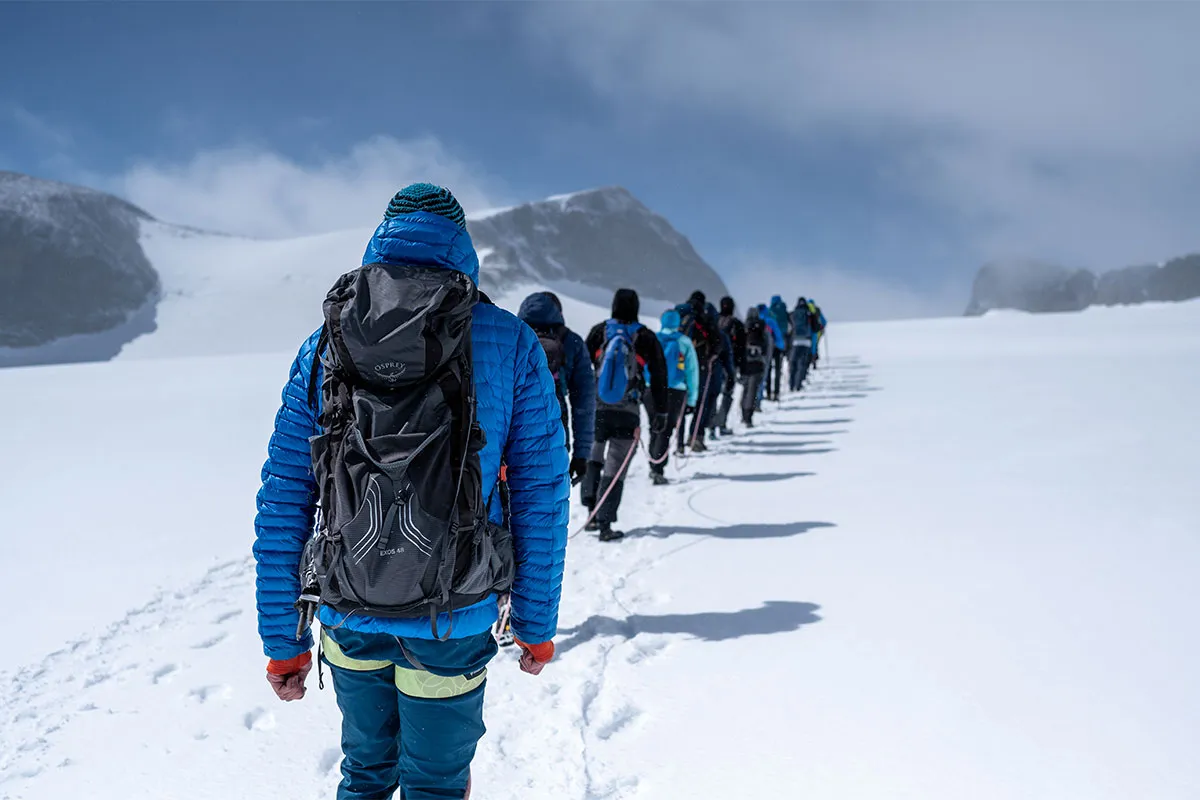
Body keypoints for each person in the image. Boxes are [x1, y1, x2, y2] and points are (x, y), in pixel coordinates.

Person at [253, 184, 570, 800]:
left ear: (382, 241)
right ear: (462, 247)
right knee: (436, 785)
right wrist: (534, 623)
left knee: (366, 775)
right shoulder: (508, 341)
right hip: (453, 615)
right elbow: (541, 495)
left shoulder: (327, 342)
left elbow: (285, 495)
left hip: (350, 607)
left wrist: (282, 642)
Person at [583, 288, 668, 541]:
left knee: (594, 458)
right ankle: (606, 523)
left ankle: (591, 513)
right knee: (615, 466)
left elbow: (581, 366)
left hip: (598, 409)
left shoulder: (599, 331)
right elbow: (660, 376)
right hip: (628, 411)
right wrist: (660, 412)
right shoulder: (645, 336)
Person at [517, 291, 595, 486]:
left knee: (508, 502)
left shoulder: (512, 336)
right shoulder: (572, 342)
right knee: (549, 503)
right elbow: (584, 402)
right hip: (555, 430)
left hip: (514, 431)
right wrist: (581, 453)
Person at [645, 309, 699, 484]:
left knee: (654, 425)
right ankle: (658, 469)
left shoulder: (653, 338)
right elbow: (692, 372)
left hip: (651, 388)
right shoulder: (684, 342)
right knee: (666, 429)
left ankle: (653, 462)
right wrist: (692, 399)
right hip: (675, 390)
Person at [675, 290, 724, 452]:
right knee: (700, 403)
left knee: (681, 402)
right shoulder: (705, 318)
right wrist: (711, 357)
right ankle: (695, 437)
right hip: (700, 365)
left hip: (680, 365)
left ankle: (679, 444)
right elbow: (717, 342)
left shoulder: (680, 317)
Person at [714, 296, 745, 436]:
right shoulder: (737, 324)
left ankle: (710, 425)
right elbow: (742, 347)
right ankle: (721, 424)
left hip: (714, 363)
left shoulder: (713, 321)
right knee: (727, 394)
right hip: (731, 364)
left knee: (713, 395)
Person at [741, 307, 769, 427]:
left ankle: (743, 413)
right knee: (753, 390)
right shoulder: (762, 326)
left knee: (745, 388)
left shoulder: (744, 327)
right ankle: (748, 417)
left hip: (745, 362)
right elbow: (767, 344)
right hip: (758, 362)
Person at [756, 303, 784, 408]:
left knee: (759, 375)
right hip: (770, 350)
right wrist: (781, 347)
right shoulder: (770, 321)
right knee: (770, 371)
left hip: (753, 353)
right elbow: (778, 335)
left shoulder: (752, 321)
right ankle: (773, 394)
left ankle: (763, 395)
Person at [768, 294, 792, 400]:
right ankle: (776, 393)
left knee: (768, 369)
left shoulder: (769, 312)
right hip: (781, 343)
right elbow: (790, 326)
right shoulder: (784, 311)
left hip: (770, 344)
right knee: (778, 369)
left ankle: (768, 392)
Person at [789, 295, 813, 390]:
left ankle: (791, 385)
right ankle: (798, 386)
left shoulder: (793, 313)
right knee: (801, 364)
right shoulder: (808, 313)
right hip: (806, 341)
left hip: (795, 341)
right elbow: (816, 326)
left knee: (793, 363)